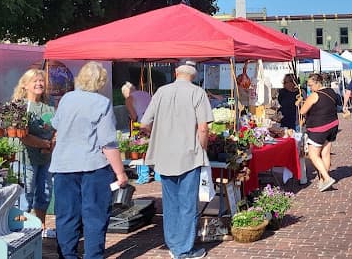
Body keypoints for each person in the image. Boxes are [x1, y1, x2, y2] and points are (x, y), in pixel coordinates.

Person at [50, 62, 128, 259]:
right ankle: (93, 255)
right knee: (95, 216)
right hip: (93, 166)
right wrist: (120, 172)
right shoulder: (102, 103)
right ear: (101, 81)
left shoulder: (66, 99)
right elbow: (108, 142)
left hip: (64, 164)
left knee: (66, 215)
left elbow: (57, 128)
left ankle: (67, 255)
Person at [141, 62, 212, 259]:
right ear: (194, 75)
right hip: (189, 154)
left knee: (170, 203)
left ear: (175, 73)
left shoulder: (161, 92)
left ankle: (173, 243)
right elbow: (203, 128)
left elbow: (145, 123)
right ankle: (183, 249)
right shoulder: (197, 93)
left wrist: (160, 133)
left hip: (164, 155)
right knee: (187, 203)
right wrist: (203, 147)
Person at [12, 69, 56, 238]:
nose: (39, 84)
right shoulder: (20, 106)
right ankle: (21, 229)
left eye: (41, 81)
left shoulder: (49, 104)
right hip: (25, 157)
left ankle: (41, 227)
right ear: (25, 84)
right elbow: (23, 136)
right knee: (25, 194)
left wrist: (52, 143)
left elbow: (58, 126)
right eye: (35, 81)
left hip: (46, 157)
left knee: (44, 192)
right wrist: (45, 143)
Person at [299, 73, 340, 191]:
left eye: (311, 85)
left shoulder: (314, 95)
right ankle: (322, 181)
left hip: (318, 128)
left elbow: (302, 111)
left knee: (313, 155)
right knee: (325, 153)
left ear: (318, 83)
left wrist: (302, 102)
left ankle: (327, 178)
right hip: (333, 124)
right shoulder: (331, 91)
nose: (310, 88)